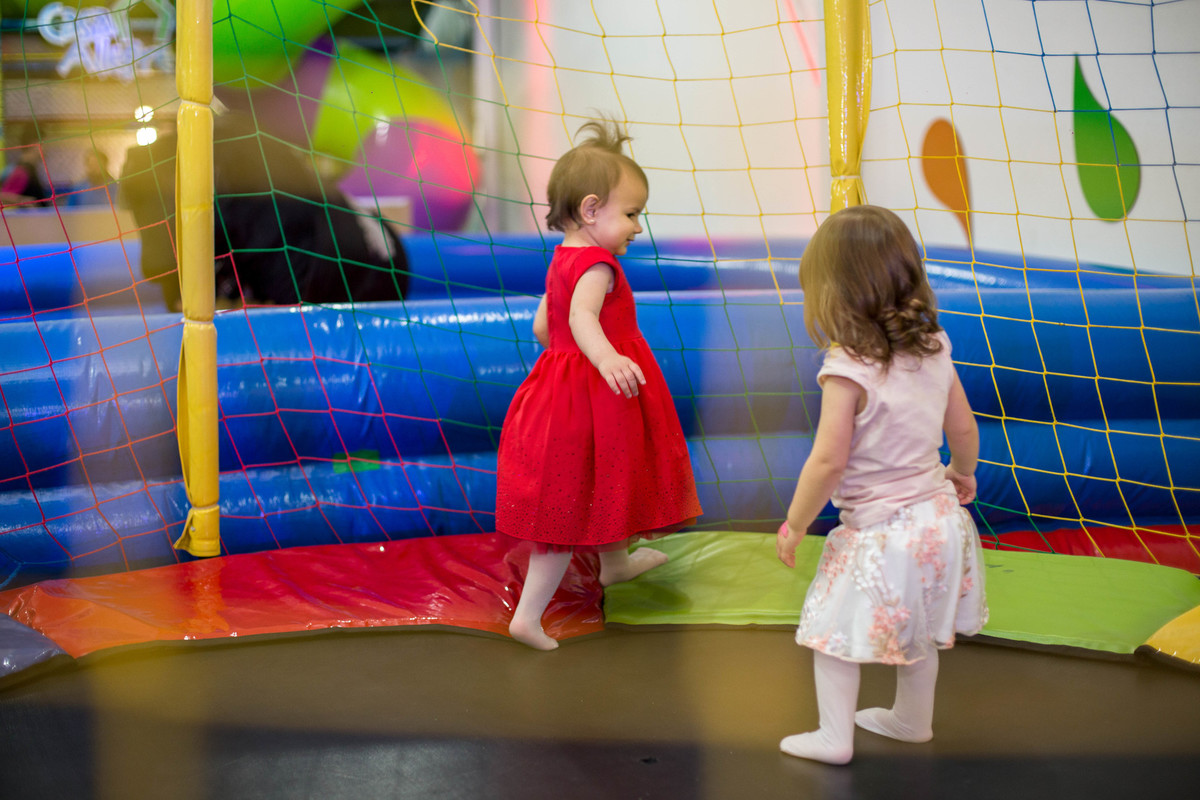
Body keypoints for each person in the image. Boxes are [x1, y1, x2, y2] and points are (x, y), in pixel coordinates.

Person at [775, 204, 988, 764]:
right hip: (941, 523)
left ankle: (833, 736)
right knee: (921, 631)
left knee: (829, 631)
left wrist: (794, 524)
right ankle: (912, 721)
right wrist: (962, 471)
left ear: (832, 292)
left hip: (882, 534)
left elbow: (828, 460)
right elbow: (964, 428)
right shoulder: (934, 345)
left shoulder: (847, 366)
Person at [495, 118, 702, 650]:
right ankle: (528, 618)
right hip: (592, 395)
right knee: (567, 508)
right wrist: (606, 357)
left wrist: (568, 357)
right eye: (631, 214)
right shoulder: (598, 266)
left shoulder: (563, 256)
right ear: (591, 210)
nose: (638, 227)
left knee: (607, 478)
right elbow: (582, 317)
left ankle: (615, 565)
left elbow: (544, 327)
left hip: (565, 389)